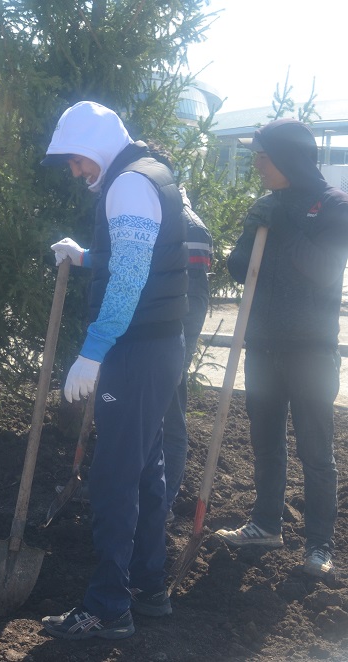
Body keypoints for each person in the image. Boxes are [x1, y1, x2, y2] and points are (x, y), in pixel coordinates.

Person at [39, 101, 188, 640]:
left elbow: (129, 279)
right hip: (159, 345)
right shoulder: (150, 174)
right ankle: (149, 589)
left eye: (77, 158)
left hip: (135, 350)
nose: (76, 171)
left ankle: (107, 607)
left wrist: (93, 350)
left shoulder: (127, 185)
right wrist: (85, 256)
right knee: (147, 470)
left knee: (112, 478)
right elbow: (145, 258)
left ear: (98, 145)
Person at [215, 118, 348, 579]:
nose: (256, 165)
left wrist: (286, 223)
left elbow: (326, 271)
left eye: (262, 156)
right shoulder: (267, 206)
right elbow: (237, 268)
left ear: (288, 158)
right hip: (263, 344)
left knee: (316, 451)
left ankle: (318, 547)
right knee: (265, 442)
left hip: (310, 351)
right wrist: (252, 231)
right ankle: (265, 524)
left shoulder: (333, 206)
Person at [163, 186, 213, 521]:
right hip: (145, 337)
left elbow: (193, 300)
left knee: (168, 416)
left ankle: (162, 502)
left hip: (168, 339)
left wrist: (180, 348)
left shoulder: (190, 227)